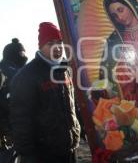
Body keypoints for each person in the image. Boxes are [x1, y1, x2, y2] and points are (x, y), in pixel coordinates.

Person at [9, 22, 81, 163]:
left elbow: (70, 107)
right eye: (50, 43)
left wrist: (79, 130)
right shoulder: (27, 75)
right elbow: (20, 120)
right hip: (44, 154)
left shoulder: (65, 70)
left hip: (70, 148)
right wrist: (28, 155)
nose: (57, 48)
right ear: (40, 46)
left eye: (60, 42)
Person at [0, 38, 27, 163]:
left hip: (20, 132)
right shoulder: (4, 74)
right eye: (22, 54)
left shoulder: (24, 73)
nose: (25, 57)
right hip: (8, 135)